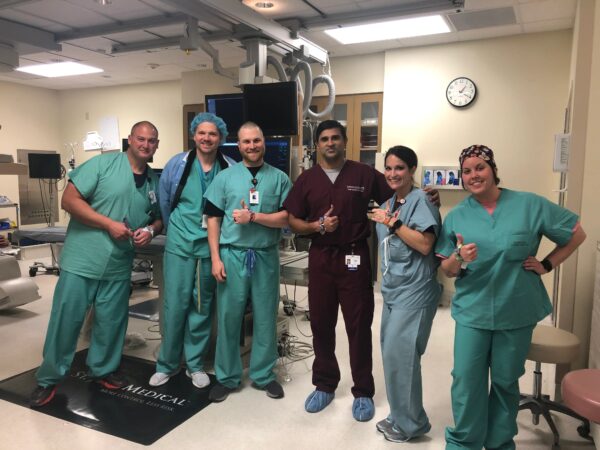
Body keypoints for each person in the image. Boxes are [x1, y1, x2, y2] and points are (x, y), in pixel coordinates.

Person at [284, 120, 439, 422]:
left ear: (344, 142)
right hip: (321, 258)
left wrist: (428, 196)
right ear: (317, 145)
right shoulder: (307, 180)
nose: (330, 143)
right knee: (321, 324)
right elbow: (293, 220)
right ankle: (325, 385)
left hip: (354, 256)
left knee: (358, 327)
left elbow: (399, 193)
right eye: (325, 139)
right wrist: (317, 226)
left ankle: (363, 391)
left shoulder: (365, 174)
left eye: (336, 138)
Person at [435, 145, 586, 450]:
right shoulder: (457, 216)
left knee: (505, 382)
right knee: (466, 380)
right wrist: (459, 258)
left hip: (515, 309)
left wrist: (546, 264)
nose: (473, 175)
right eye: (466, 171)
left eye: (480, 167)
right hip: (473, 312)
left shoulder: (528, 205)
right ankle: (464, 442)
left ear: (493, 169)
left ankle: (500, 443)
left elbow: (576, 234)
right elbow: (447, 269)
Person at [30, 121, 163, 407]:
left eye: (152, 141)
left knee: (112, 323)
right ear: (130, 140)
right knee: (66, 321)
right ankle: (48, 379)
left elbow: (158, 217)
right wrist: (108, 225)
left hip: (118, 263)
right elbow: (69, 200)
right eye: (141, 139)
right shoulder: (102, 165)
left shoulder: (153, 181)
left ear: (157, 145)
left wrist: (150, 230)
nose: (146, 145)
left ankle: (103, 369)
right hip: (83, 260)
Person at [204, 121, 291, 402]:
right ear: (237, 145)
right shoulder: (225, 178)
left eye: (256, 140)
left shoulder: (279, 179)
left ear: (263, 142)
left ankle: (264, 375)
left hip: (265, 255)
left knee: (266, 316)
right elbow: (213, 219)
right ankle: (228, 377)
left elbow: (288, 217)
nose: (251, 146)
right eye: (246, 142)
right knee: (229, 318)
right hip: (232, 254)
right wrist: (216, 258)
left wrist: (254, 217)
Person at [149, 113, 235, 389]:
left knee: (201, 306)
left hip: (210, 247)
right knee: (174, 305)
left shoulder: (229, 168)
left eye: (212, 134)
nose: (207, 138)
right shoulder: (178, 164)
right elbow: (165, 201)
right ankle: (167, 364)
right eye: (202, 133)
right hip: (179, 244)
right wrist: (173, 229)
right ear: (194, 135)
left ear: (220, 137)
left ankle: (195, 364)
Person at [370, 146, 441, 442]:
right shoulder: (390, 202)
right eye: (388, 168)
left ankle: (410, 424)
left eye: (399, 168)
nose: (392, 173)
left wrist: (393, 223)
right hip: (393, 291)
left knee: (404, 358)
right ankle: (400, 413)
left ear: (412, 170)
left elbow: (425, 244)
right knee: (392, 354)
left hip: (415, 291)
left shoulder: (420, 200)